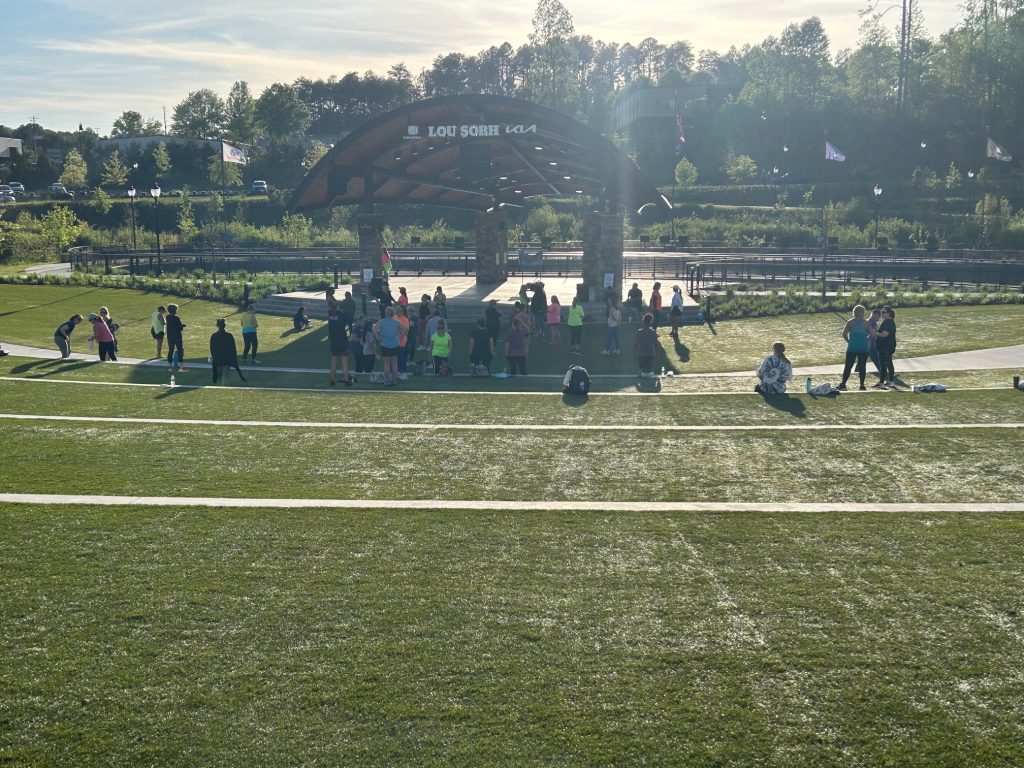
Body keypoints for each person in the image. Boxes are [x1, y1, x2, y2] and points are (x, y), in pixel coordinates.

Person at [838, 304, 875, 391]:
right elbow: (872, 334)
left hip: (852, 347)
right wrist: (866, 340)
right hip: (863, 347)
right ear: (862, 313)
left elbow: (844, 334)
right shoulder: (866, 323)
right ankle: (862, 385)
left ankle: (843, 384)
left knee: (848, 366)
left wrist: (849, 341)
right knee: (862, 366)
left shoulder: (850, 322)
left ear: (854, 312)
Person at [210, 318, 246, 384]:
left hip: (218, 357)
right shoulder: (229, 335)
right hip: (227, 357)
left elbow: (212, 348)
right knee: (225, 373)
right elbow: (233, 348)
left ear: (217, 325)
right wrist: (234, 357)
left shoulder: (214, 336)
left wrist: (213, 356)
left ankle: (219, 386)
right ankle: (223, 386)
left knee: (219, 373)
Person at [374, 306, 404, 385]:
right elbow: (405, 330)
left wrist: (377, 337)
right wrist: (399, 337)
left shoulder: (382, 321)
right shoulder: (396, 322)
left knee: (386, 363)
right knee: (394, 363)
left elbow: (374, 328)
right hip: (395, 344)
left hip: (385, 344)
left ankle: (387, 380)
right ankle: (394, 380)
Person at [328, 301, 354, 387]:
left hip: (334, 342)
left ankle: (332, 380)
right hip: (343, 342)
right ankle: (346, 381)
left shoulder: (330, 318)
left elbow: (330, 333)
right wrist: (348, 339)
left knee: (333, 362)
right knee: (345, 363)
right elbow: (347, 330)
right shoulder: (343, 316)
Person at [875, 305, 898, 388]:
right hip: (886, 346)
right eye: (881, 312)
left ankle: (886, 382)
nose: (882, 314)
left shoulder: (888, 322)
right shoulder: (888, 322)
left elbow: (884, 334)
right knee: (886, 364)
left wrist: (874, 333)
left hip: (886, 347)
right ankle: (886, 381)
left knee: (886, 364)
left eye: (883, 312)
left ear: (888, 313)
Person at [165, 303, 188, 372]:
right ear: (174, 310)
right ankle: (181, 367)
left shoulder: (167, 317)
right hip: (177, 336)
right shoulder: (177, 318)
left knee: (170, 351)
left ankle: (169, 367)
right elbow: (180, 327)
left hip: (170, 336)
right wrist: (182, 326)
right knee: (180, 351)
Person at [634, 313, 658, 377]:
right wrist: (656, 353)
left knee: (642, 371)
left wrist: (637, 352)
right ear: (650, 322)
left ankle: (643, 373)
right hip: (651, 354)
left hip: (642, 354)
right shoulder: (653, 332)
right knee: (650, 371)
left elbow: (636, 343)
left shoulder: (639, 332)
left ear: (643, 322)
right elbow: (656, 344)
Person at [395, 303, 412, 380]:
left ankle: (403, 372)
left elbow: (406, 332)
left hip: (401, 342)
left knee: (401, 358)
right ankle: (397, 371)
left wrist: (398, 338)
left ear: (403, 311)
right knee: (395, 358)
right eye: (397, 309)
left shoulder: (405, 319)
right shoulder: (394, 317)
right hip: (393, 342)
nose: (397, 311)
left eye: (399, 310)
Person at [866, 307, 882, 381]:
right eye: (879, 316)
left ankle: (858, 370)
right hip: (871, 344)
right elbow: (871, 334)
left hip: (868, 344)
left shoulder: (867, 321)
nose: (879, 318)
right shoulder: (872, 323)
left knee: (863, 358)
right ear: (875, 315)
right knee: (876, 358)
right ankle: (882, 371)